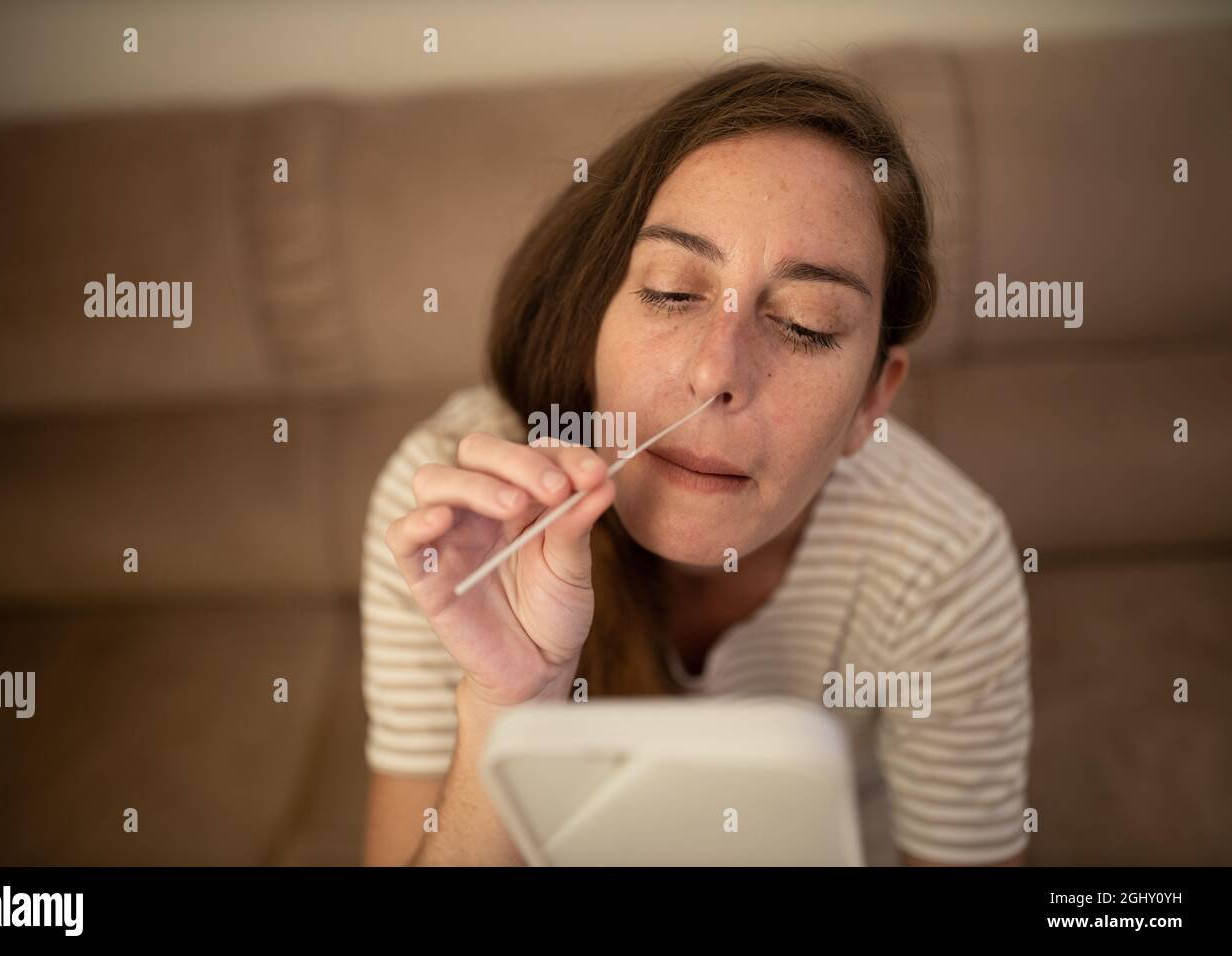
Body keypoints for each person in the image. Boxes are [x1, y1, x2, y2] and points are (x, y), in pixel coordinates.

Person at [360, 61, 1032, 866]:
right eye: (674, 292)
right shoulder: (461, 517)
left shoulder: (944, 555)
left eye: (807, 324)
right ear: (593, 320)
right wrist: (508, 706)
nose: (718, 372)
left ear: (869, 405)